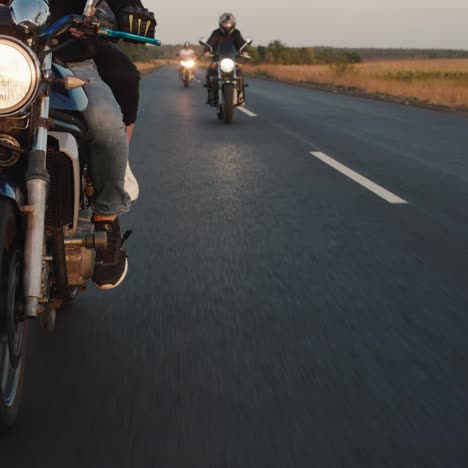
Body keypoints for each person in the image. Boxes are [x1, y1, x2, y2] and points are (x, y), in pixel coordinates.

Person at [48, 0, 156, 289]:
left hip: (69, 62)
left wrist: (130, 10)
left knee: (105, 120)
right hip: (10, 55)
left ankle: (106, 219)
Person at [203, 13, 248, 105]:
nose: (227, 25)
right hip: (218, 58)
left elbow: (241, 43)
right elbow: (210, 42)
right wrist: (207, 50)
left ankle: (240, 93)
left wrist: (244, 51)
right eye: (225, 23)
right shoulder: (216, 33)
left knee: (240, 73)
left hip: (232, 59)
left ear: (233, 23)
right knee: (210, 71)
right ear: (220, 23)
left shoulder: (236, 33)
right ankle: (211, 92)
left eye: (229, 23)